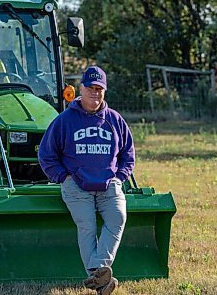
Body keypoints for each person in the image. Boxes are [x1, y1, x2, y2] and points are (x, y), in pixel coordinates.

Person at [38, 66, 135, 295]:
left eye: (99, 88)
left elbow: (128, 154)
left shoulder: (115, 120)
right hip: (77, 187)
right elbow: (46, 154)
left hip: (109, 185)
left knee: (118, 218)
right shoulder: (65, 120)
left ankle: (97, 273)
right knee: (87, 226)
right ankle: (100, 275)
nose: (95, 93)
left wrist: (119, 177)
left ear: (105, 91)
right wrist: (64, 177)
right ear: (81, 88)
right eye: (91, 88)